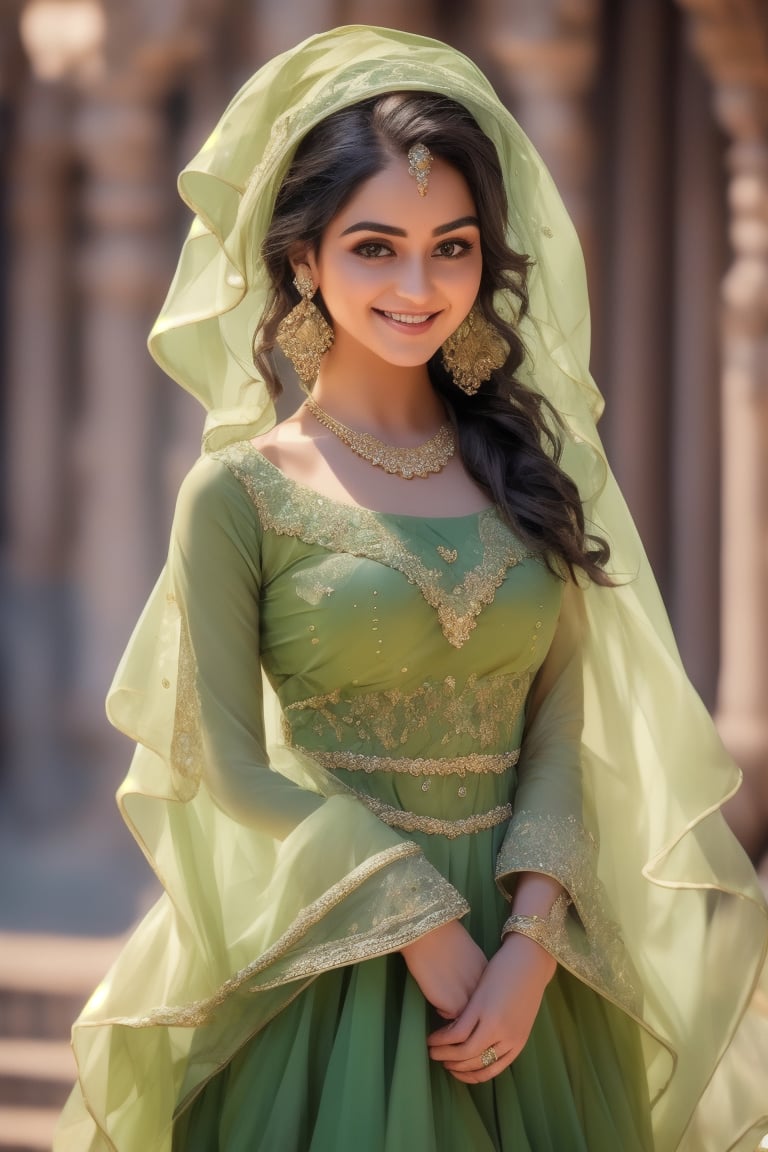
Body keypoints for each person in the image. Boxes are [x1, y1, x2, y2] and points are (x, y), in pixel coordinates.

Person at [54, 25, 768, 1152]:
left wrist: (532, 942)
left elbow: (558, 727)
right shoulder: (237, 495)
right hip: (333, 971)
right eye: (376, 247)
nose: (419, 285)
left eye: (453, 247)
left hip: (534, 983)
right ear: (304, 261)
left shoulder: (523, 469)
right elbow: (232, 771)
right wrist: (415, 921)